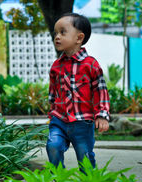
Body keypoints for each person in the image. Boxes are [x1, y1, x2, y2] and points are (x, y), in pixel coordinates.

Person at [47, 13, 110, 170]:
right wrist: (52, 113)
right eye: (55, 33)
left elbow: (100, 91)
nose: (57, 37)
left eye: (62, 32)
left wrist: (102, 115)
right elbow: (53, 94)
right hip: (59, 120)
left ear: (79, 38)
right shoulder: (56, 66)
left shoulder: (91, 65)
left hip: (82, 122)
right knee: (52, 146)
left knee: (85, 157)